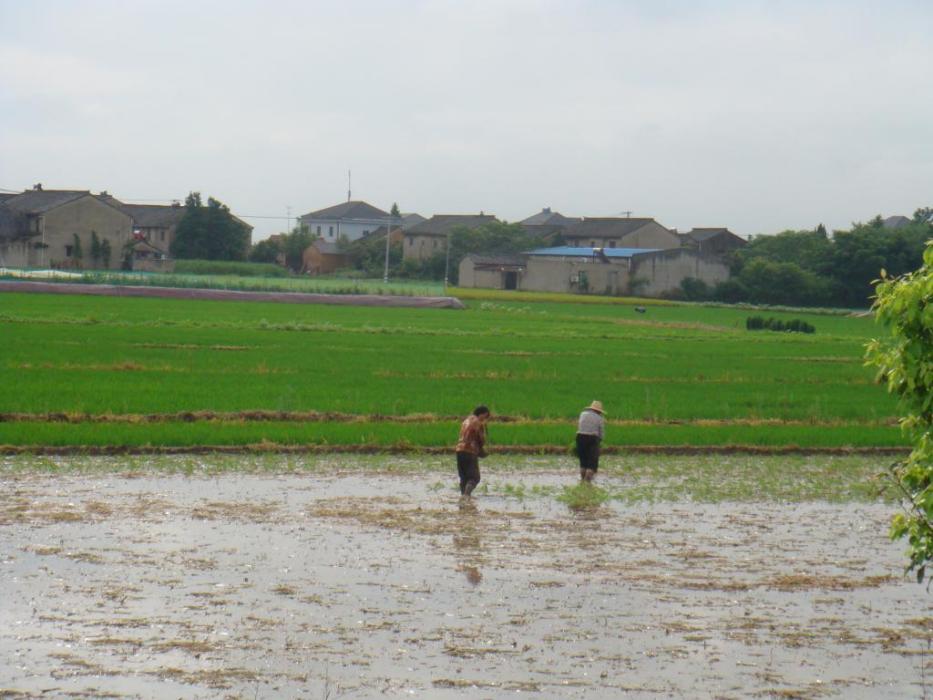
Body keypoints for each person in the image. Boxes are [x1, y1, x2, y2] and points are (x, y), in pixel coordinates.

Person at [455, 405, 490, 498]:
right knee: (474, 477)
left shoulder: (466, 421)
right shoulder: (478, 422)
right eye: (486, 416)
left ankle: (463, 497)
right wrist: (482, 451)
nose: (485, 419)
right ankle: (466, 497)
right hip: (469, 450)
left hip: (459, 450)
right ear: (482, 414)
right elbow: (480, 440)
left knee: (464, 478)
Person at [576, 400, 605, 482]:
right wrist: (600, 442)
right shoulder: (599, 418)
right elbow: (601, 432)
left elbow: (580, 426)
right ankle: (588, 483)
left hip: (580, 437)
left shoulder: (582, 414)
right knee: (592, 462)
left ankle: (582, 481)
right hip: (592, 438)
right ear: (598, 411)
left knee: (583, 460)